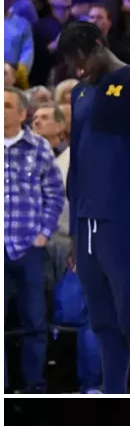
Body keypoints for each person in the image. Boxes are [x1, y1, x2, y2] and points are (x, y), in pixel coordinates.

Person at [55, 20, 130, 391]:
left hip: (123, 218)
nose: (78, 69)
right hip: (87, 220)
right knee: (102, 323)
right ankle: (114, 396)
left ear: (100, 44)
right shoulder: (80, 92)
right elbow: (77, 161)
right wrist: (75, 233)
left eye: (81, 59)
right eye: (71, 63)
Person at [4, 86, 64, 392]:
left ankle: (34, 388)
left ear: (21, 113)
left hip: (29, 246)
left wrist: (43, 233)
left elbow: (55, 195)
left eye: (6, 106)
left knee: (35, 322)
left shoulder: (38, 147)